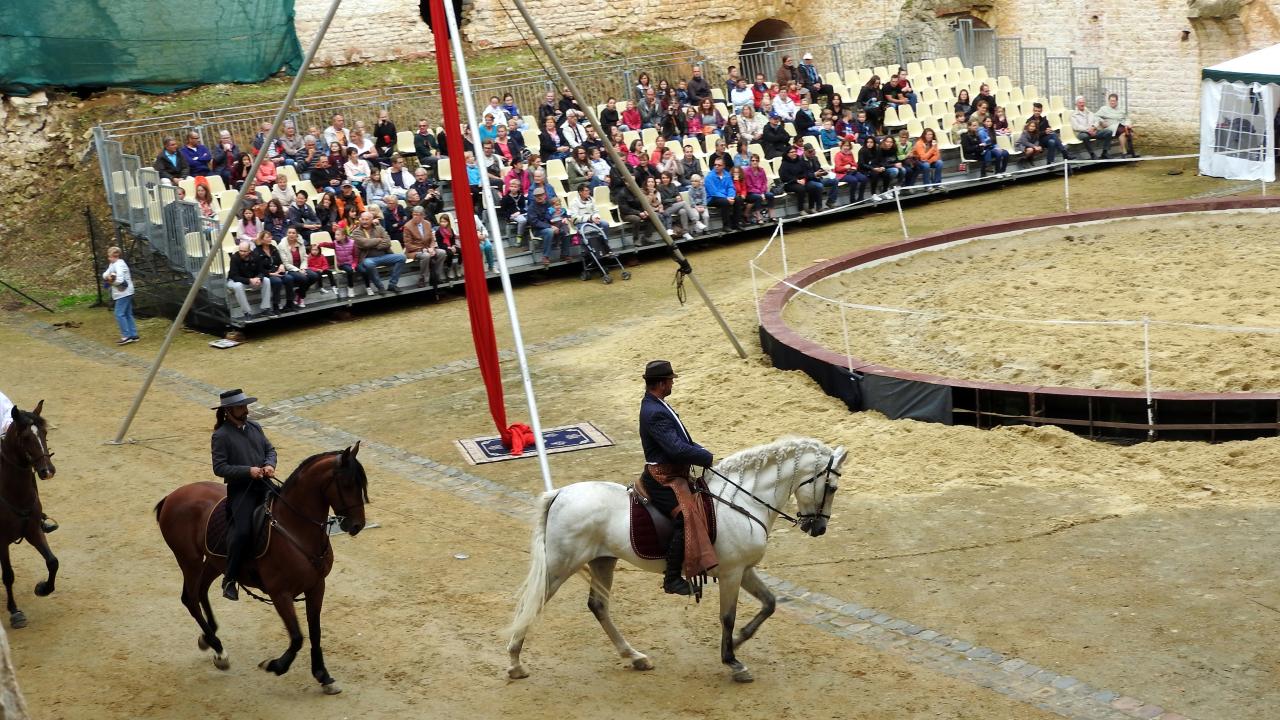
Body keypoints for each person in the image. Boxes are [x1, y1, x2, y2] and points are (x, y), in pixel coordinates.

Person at [637, 360, 714, 596]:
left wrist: (700, 451)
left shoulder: (658, 404)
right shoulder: (654, 412)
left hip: (673, 471)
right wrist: (706, 457)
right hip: (662, 477)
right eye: (670, 380)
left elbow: (684, 442)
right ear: (661, 383)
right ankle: (671, 577)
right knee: (686, 515)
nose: (672, 383)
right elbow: (677, 450)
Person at [210, 389, 277, 602]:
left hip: (265, 483)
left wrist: (269, 464)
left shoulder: (255, 427)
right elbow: (219, 468)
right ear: (229, 411)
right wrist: (247, 471)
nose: (246, 410)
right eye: (241, 407)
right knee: (242, 532)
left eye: (245, 406)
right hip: (241, 490)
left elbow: (270, 449)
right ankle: (229, 578)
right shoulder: (220, 436)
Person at [351, 211, 405, 294]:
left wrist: (375, 245)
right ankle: (380, 287)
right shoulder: (356, 232)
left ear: (372, 220)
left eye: (367, 219)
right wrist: (379, 240)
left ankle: (392, 285)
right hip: (367, 259)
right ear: (360, 220)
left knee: (401, 258)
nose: (364, 221)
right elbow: (364, 244)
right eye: (363, 219)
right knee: (369, 264)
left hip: (384, 256)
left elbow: (387, 242)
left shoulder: (379, 228)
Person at [101, 245, 138, 345]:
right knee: (127, 313)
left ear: (114, 256)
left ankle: (126, 336)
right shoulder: (113, 264)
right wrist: (109, 277)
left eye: (109, 256)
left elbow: (120, 280)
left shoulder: (119, 265)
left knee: (119, 313)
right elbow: (104, 274)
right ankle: (133, 334)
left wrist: (110, 281)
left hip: (123, 292)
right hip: (124, 292)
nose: (108, 258)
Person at [1096, 93, 1138, 157]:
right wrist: (1102, 122)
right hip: (1111, 127)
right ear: (1108, 101)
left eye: (1114, 101)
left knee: (1125, 133)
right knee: (1127, 131)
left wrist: (1127, 124)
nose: (1112, 102)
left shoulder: (1121, 110)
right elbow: (1095, 116)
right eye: (1111, 101)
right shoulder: (1104, 109)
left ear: (1117, 101)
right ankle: (1127, 152)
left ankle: (1125, 152)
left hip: (1121, 126)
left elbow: (1127, 118)